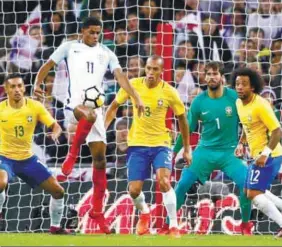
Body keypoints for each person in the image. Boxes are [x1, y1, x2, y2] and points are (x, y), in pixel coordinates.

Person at [33, 17, 144, 234]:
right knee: (90, 114)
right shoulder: (69, 47)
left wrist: (136, 96)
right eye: (92, 32)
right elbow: (47, 65)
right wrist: (38, 83)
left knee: (101, 161)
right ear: (83, 30)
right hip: (73, 107)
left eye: (98, 32)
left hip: (96, 111)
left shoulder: (107, 53)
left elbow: (121, 77)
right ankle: (72, 155)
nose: (95, 36)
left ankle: (97, 212)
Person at [160, 61, 254, 235]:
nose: (212, 77)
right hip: (205, 152)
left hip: (229, 152)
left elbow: (250, 122)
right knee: (182, 186)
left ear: (222, 77)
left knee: (247, 185)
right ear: (204, 77)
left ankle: (245, 225)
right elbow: (186, 130)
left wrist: (243, 143)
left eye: (215, 73)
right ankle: (167, 225)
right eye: (208, 74)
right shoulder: (198, 102)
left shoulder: (234, 98)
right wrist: (173, 152)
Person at [105, 55, 191, 238]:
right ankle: (145, 212)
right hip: (137, 144)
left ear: (162, 71)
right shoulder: (133, 85)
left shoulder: (169, 91)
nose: (151, 73)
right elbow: (113, 107)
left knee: (164, 181)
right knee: (134, 190)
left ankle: (174, 226)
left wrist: (187, 148)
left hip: (161, 144)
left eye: (155, 69)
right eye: (149, 68)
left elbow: (183, 119)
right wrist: (102, 130)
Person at [0, 74, 70, 234]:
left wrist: (55, 133)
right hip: (4, 158)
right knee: (1, 183)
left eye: (20, 86)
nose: (17, 90)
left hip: (28, 160)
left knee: (58, 191)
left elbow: (55, 125)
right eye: (13, 87)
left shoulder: (35, 106)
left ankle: (55, 227)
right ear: (6, 89)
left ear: (24, 88)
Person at [232, 68, 282, 238]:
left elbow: (277, 131)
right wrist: (241, 143)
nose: (239, 87)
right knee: (249, 191)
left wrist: (265, 154)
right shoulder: (239, 103)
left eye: (244, 84)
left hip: (270, 154)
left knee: (254, 194)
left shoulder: (261, 105)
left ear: (252, 87)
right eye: (237, 83)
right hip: (257, 154)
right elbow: (247, 126)